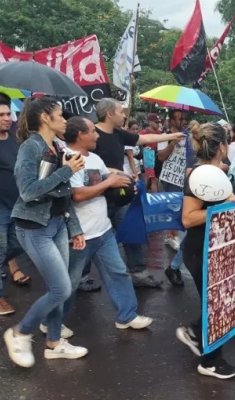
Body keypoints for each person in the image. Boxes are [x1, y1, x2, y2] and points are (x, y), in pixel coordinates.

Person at [4, 97, 88, 368]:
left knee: (59, 287)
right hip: (34, 227)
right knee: (61, 288)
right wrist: (65, 171)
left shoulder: (57, 146)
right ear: (44, 118)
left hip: (57, 225)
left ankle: (54, 343)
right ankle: (20, 332)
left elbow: (62, 196)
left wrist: (74, 228)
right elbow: (28, 191)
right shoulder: (30, 146)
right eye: (60, 115)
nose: (65, 120)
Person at [62, 116, 153, 330]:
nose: (96, 135)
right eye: (92, 131)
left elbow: (107, 175)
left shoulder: (94, 157)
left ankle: (127, 315)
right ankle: (52, 323)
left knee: (118, 272)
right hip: (78, 235)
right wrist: (111, 181)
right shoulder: (67, 159)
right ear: (79, 135)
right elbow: (76, 195)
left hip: (102, 231)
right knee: (68, 284)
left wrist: (126, 180)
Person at [93, 98, 184, 288]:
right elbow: (88, 163)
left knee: (132, 233)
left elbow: (145, 139)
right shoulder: (91, 134)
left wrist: (172, 136)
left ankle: (139, 273)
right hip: (96, 198)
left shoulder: (118, 134)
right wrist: (116, 172)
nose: (124, 115)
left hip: (121, 194)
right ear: (109, 113)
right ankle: (80, 277)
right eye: (120, 111)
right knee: (91, 239)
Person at [177, 122, 235, 379]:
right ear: (222, 146)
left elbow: (226, 203)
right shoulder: (198, 176)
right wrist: (223, 206)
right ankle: (210, 361)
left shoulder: (217, 173)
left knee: (219, 303)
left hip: (215, 248)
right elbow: (188, 218)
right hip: (200, 249)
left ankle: (195, 330)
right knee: (217, 306)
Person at [0, 94, 27, 316]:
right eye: (1, 115)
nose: (7, 118)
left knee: (18, 245)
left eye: (8, 113)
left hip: (19, 204)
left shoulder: (16, 138)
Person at [157, 109, 194, 252]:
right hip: (170, 178)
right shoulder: (165, 137)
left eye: (184, 118)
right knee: (174, 207)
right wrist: (173, 143)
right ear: (172, 121)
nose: (182, 121)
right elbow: (160, 157)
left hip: (184, 177)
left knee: (181, 206)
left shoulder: (189, 137)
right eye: (179, 118)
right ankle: (172, 235)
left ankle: (171, 233)